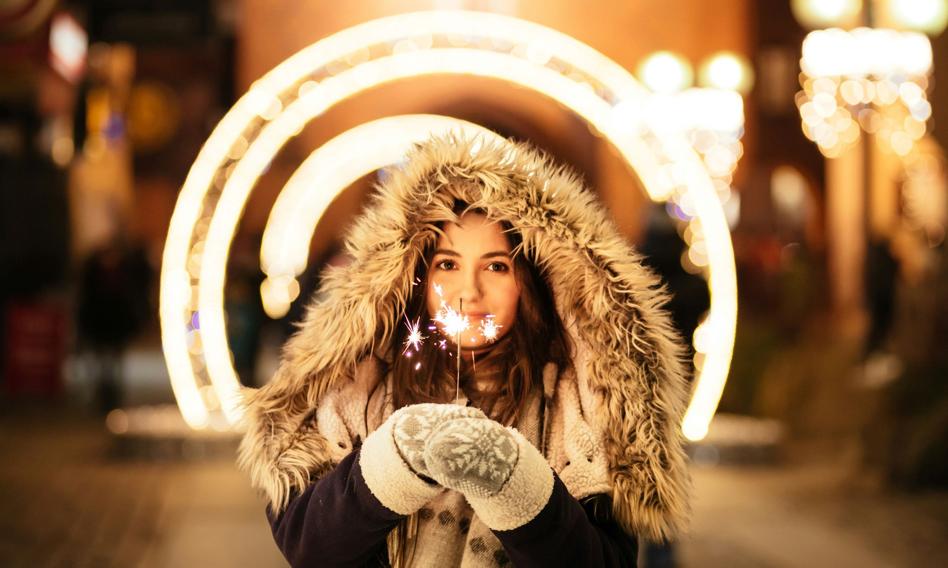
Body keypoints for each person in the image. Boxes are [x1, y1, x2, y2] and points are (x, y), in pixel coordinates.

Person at [238, 134, 691, 567]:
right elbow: (309, 547)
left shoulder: (578, 405)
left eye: (495, 266)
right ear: (416, 274)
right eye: (448, 264)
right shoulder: (359, 385)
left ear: (529, 283)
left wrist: (511, 477)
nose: (468, 292)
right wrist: (395, 456)